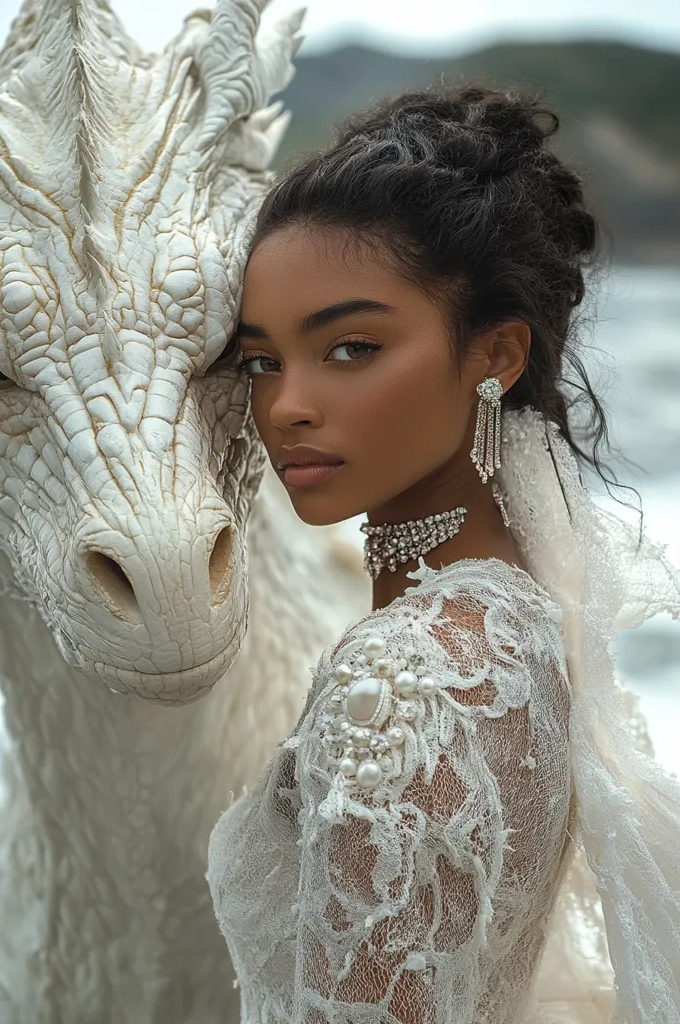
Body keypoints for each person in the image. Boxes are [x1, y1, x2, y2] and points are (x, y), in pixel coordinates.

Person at [207, 84, 680, 1023]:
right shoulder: (515, 621)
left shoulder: (410, 673)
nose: (286, 404)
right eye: (261, 360)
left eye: (350, 348)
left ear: (495, 354)